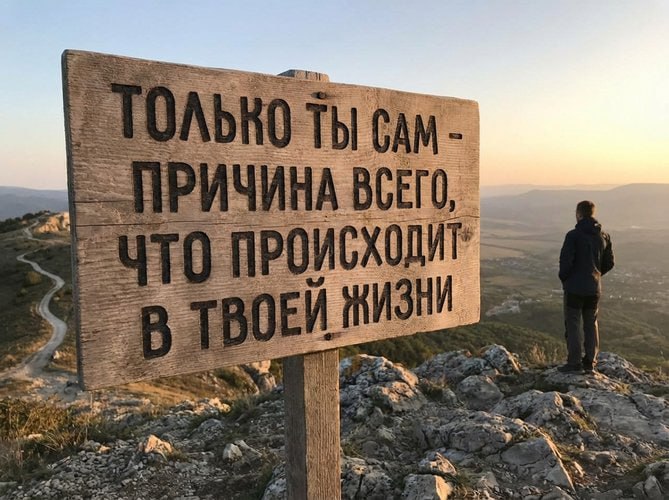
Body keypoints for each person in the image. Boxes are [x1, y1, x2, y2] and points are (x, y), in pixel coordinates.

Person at [558, 200, 614, 374]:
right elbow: (609, 263)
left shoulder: (573, 236)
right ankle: (590, 362)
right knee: (591, 323)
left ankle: (574, 363)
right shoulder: (604, 236)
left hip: (574, 287)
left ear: (578, 214)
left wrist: (566, 279)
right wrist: (596, 275)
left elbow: (565, 263)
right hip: (593, 288)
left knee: (573, 324)